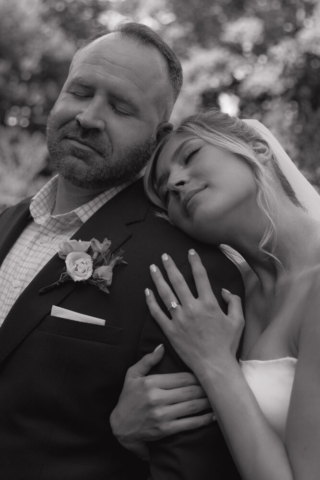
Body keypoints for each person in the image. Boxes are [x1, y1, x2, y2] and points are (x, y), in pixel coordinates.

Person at [0, 26, 244, 479]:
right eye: (80, 91)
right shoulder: (4, 224)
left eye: (120, 107)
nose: (89, 117)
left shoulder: (187, 271)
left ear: (159, 135)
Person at [110, 109, 320, 480]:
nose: (174, 182)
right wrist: (135, 426)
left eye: (189, 155)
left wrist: (214, 364)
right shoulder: (221, 301)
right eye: (163, 192)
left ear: (258, 148)